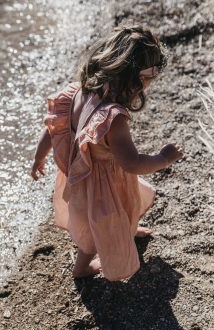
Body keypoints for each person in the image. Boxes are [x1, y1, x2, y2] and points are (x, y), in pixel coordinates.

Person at [30, 25, 183, 281]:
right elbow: (132, 163)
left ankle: (128, 230)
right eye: (151, 78)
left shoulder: (78, 93)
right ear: (137, 79)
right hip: (102, 187)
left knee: (126, 207)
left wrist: (39, 156)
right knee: (96, 230)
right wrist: (163, 158)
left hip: (84, 175)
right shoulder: (114, 119)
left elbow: (53, 127)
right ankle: (81, 269)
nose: (149, 86)